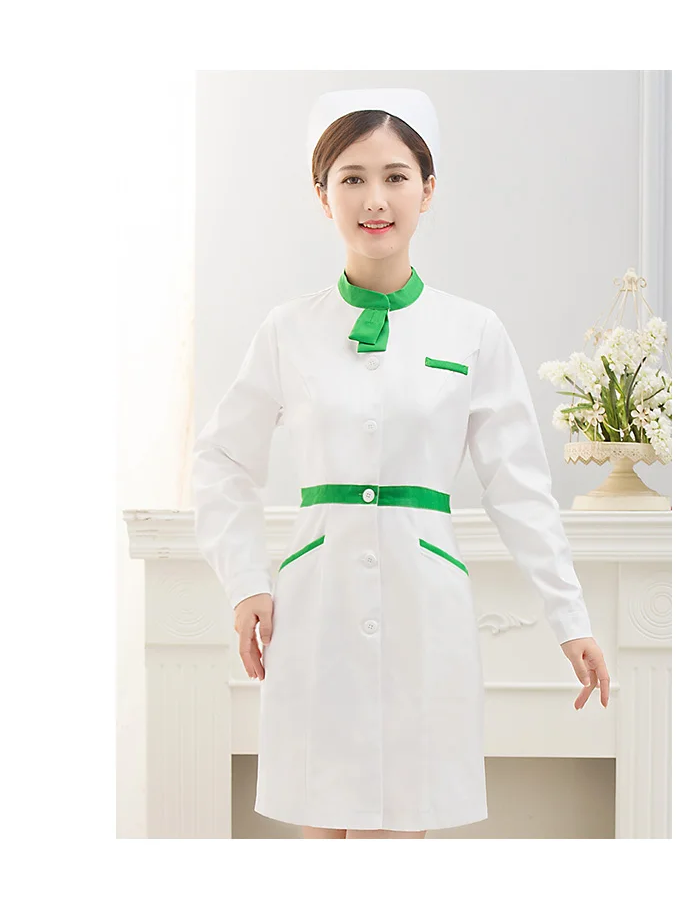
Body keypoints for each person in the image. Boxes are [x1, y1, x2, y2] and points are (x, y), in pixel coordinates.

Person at [191, 87, 610, 840]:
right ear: (322, 194)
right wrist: (246, 579)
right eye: (351, 177)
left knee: (402, 835)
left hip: (425, 609)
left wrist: (569, 617)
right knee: (320, 827)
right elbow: (221, 458)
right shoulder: (288, 329)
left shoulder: (472, 330)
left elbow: (520, 487)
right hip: (314, 609)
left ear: (428, 188)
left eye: (395, 176)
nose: (375, 199)